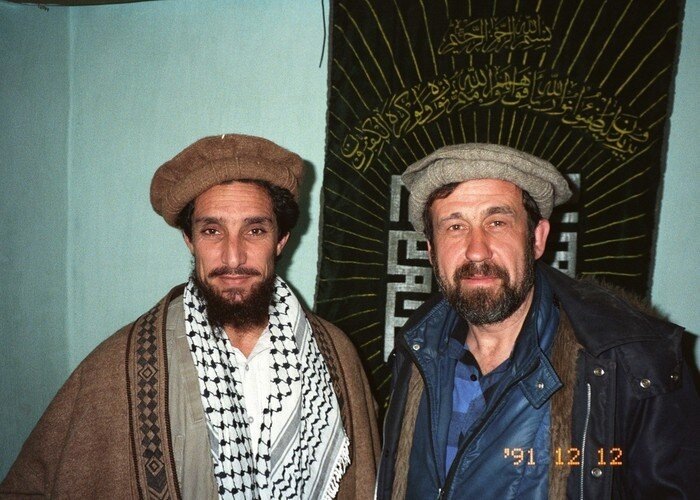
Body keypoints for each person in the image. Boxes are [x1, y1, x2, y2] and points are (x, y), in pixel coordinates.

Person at [1, 134, 380, 499]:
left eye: (254, 230)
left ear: (280, 241)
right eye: (212, 230)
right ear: (190, 240)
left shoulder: (335, 356)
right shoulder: (117, 368)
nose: (233, 257)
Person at [376, 143, 700, 499]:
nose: (477, 250)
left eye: (497, 223)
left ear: (536, 238)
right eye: (455, 226)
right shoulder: (417, 346)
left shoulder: (630, 362)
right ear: (430, 251)